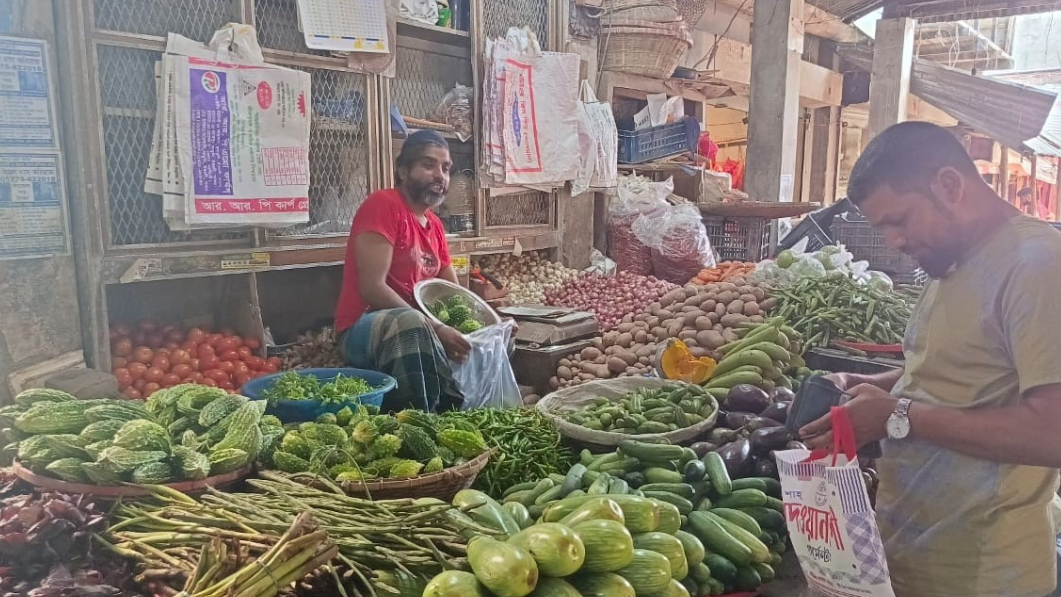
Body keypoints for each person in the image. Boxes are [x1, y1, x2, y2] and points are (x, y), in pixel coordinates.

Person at [800, 122, 1061, 597]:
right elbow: (951, 371)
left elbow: (1053, 432)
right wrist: (873, 382)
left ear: (948, 185)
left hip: (983, 574)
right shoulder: (952, 259)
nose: (894, 241)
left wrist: (898, 416)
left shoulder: (1037, 265)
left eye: (898, 221)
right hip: (915, 558)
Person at [334, 130, 469, 413]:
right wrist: (436, 327)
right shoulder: (384, 205)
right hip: (362, 328)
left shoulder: (435, 226)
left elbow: (454, 297)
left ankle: (454, 414)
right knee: (411, 323)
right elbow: (372, 287)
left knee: (481, 336)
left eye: (446, 169)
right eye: (428, 165)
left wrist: (494, 323)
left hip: (419, 328)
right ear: (404, 170)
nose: (440, 176)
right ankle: (418, 421)